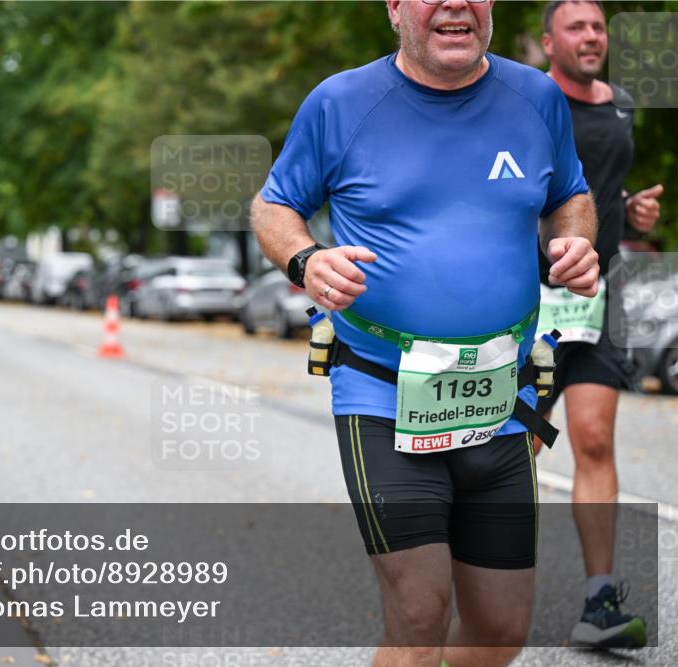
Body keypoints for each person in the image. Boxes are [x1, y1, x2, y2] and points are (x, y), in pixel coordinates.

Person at [251, 1, 598, 665]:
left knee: (501, 626)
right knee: (420, 611)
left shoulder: (536, 98)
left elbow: (569, 195)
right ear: (394, 8)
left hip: (499, 402)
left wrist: (574, 241)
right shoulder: (341, 102)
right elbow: (273, 205)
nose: (455, 3)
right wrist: (306, 258)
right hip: (382, 395)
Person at [533, 0, 660, 649]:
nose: (591, 37)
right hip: (530, 300)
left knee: (595, 438)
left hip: (596, 297)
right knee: (515, 448)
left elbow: (599, 187)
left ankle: (599, 600)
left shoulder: (621, 104)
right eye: (576, 27)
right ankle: (485, 589)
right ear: (548, 41)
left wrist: (628, 212)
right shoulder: (527, 100)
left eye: (598, 26)